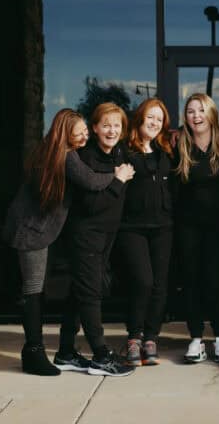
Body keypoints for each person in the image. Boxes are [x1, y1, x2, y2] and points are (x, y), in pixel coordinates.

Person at [2, 109, 133, 376]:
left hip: (39, 229)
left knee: (38, 289)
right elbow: (91, 181)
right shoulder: (66, 155)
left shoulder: (51, 150)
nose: (85, 135)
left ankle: (60, 351)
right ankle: (34, 353)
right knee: (33, 290)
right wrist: (118, 176)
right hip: (32, 230)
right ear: (66, 132)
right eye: (80, 131)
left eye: (86, 130)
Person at [60, 102, 135, 377]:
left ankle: (65, 350)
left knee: (79, 292)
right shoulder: (85, 159)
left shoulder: (119, 153)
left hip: (107, 237)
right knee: (90, 294)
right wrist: (118, 181)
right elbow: (92, 205)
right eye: (106, 125)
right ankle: (101, 355)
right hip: (85, 236)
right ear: (94, 128)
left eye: (116, 125)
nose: (111, 130)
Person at [116, 98, 175, 367]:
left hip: (163, 227)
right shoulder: (125, 151)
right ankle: (134, 337)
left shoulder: (166, 151)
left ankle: (151, 337)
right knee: (143, 281)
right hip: (133, 228)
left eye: (159, 120)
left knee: (160, 285)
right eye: (150, 117)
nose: (154, 123)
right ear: (140, 119)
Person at [175, 93, 219, 364]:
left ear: (211, 114)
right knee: (192, 281)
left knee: (217, 281)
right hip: (188, 227)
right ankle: (196, 338)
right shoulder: (179, 145)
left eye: (200, 110)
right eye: (190, 111)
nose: (195, 116)